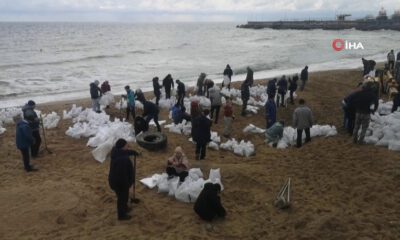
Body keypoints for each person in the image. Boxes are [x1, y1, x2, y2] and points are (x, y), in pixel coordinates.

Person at [108, 139, 139, 221]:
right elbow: (122, 175)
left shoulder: (117, 151)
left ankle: (125, 208)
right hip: (120, 183)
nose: (128, 147)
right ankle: (121, 215)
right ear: (122, 147)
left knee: (123, 197)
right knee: (122, 198)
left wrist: (133, 152)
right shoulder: (121, 160)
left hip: (115, 181)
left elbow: (125, 152)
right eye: (126, 146)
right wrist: (127, 184)